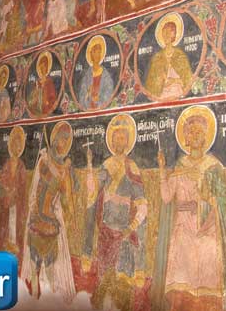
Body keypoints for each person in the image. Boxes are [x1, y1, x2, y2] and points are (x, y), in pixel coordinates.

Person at [153, 105, 226, 311]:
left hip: (207, 230)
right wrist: (162, 169)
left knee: (206, 274)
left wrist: (205, 201)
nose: (195, 135)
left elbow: (225, 203)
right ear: (185, 139)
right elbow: (166, 197)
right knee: (181, 285)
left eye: (199, 131)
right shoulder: (180, 166)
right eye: (191, 132)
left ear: (206, 137)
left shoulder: (213, 167)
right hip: (182, 230)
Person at [83, 114, 149, 311]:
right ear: (111, 141)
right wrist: (89, 166)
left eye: (122, 137)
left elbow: (142, 204)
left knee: (122, 283)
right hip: (106, 232)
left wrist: (132, 226)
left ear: (127, 142)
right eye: (116, 137)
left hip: (123, 235)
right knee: (104, 280)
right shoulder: (107, 165)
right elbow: (93, 193)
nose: (119, 141)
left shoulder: (132, 167)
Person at [22, 121, 76, 303]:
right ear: (54, 139)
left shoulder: (64, 171)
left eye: (66, 140)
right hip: (36, 219)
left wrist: (69, 214)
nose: (63, 143)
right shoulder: (43, 160)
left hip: (51, 222)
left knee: (51, 271)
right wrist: (33, 209)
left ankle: (50, 301)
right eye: (61, 138)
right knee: (34, 268)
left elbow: (66, 198)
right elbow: (34, 189)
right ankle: (33, 299)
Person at [145, 13, 193, 99]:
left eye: (169, 32)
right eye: (164, 32)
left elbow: (188, 80)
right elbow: (151, 84)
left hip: (178, 92)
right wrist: (161, 80)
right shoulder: (157, 57)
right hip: (162, 94)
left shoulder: (180, 55)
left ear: (174, 35)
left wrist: (174, 80)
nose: (166, 35)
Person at [0, 126, 28, 260]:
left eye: (19, 145)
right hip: (6, 202)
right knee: (6, 226)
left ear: (20, 148)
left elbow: (23, 186)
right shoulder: (7, 164)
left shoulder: (21, 166)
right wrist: (7, 190)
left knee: (15, 228)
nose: (16, 148)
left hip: (17, 203)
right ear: (11, 146)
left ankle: (15, 253)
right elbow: (1, 181)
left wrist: (15, 192)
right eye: (14, 144)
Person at [77, 35, 115, 110]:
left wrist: (99, 99)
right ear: (91, 54)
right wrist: (88, 94)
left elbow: (109, 91)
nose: (98, 55)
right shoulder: (87, 75)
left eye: (99, 52)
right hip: (88, 109)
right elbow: (82, 96)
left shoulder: (105, 75)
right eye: (96, 52)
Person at [28, 51, 58, 117]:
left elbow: (53, 97)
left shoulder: (49, 81)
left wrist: (47, 102)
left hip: (46, 108)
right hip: (36, 109)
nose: (41, 70)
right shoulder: (37, 82)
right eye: (40, 68)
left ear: (47, 68)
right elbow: (31, 99)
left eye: (43, 67)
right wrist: (36, 91)